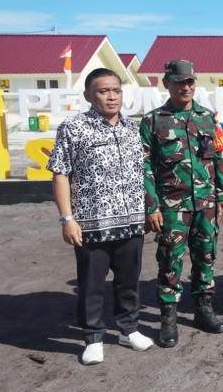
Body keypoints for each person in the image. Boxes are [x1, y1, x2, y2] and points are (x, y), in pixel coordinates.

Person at [48, 68, 153, 365]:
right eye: (104, 91)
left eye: (116, 91)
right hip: (91, 225)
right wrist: (67, 219)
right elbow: (60, 174)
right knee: (92, 285)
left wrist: (148, 209)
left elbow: (143, 173)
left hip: (131, 222)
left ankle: (128, 329)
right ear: (88, 95)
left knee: (129, 282)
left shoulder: (133, 128)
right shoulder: (73, 127)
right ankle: (93, 337)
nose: (111, 96)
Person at [141, 60, 223, 348]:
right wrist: (152, 205)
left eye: (190, 82)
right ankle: (168, 318)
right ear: (167, 83)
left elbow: (222, 159)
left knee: (206, 257)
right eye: (179, 82)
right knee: (170, 261)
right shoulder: (153, 121)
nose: (186, 87)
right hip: (172, 207)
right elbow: (143, 167)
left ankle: (203, 310)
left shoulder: (208, 118)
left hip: (205, 204)